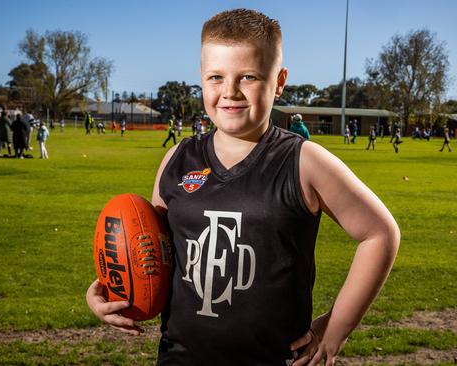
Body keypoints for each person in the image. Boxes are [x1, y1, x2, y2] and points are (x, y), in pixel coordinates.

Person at [86, 9, 400, 366]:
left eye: (248, 76)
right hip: (180, 358)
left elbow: (380, 233)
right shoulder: (177, 159)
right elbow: (153, 252)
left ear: (279, 81)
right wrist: (111, 290)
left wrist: (335, 328)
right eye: (215, 77)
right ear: (202, 79)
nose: (229, 92)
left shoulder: (304, 162)